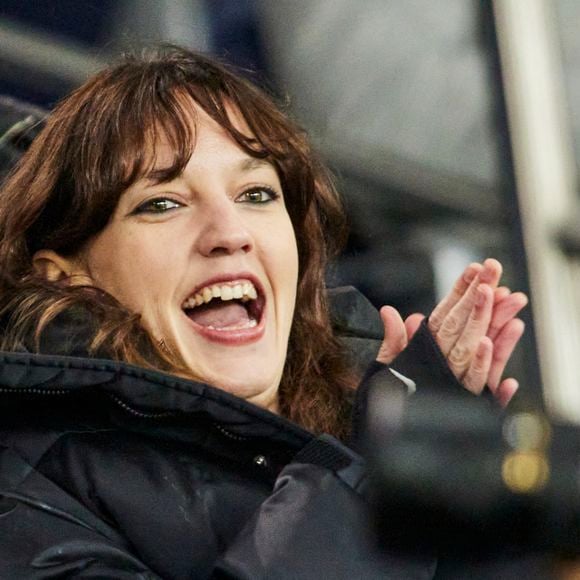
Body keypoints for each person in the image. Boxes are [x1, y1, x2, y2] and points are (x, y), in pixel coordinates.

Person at [0, 45, 527, 578]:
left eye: (255, 194)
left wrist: (458, 500)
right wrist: (367, 476)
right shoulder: (22, 492)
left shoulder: (357, 406)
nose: (230, 234)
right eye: (162, 204)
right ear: (64, 276)